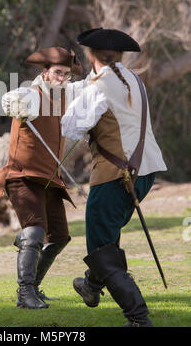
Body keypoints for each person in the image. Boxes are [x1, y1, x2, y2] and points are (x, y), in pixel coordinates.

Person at [61, 28, 167, 327]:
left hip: (114, 175)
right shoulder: (134, 79)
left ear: (90, 55)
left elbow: (69, 128)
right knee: (106, 239)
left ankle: (138, 318)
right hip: (145, 171)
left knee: (99, 247)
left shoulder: (99, 87)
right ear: (119, 56)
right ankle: (92, 286)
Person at [0, 46, 90, 309]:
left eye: (66, 75)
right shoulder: (30, 94)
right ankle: (25, 294)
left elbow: (86, 87)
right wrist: (12, 104)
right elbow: (10, 97)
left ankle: (33, 286)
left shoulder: (63, 96)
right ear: (45, 72)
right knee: (35, 231)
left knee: (59, 236)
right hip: (22, 177)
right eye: (57, 73)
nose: (61, 79)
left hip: (49, 180)